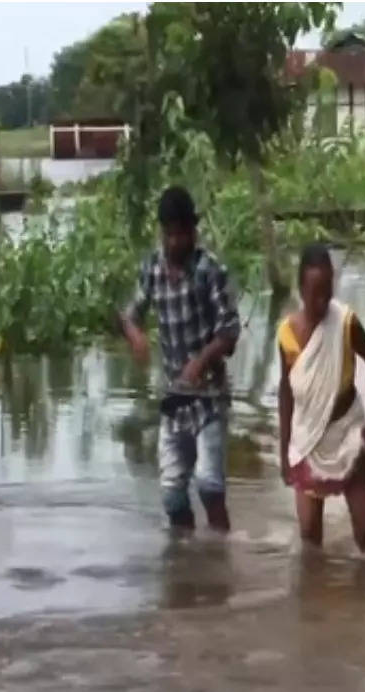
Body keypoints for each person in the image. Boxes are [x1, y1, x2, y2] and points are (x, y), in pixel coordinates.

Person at [120, 185, 241, 533]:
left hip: (209, 398)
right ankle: (187, 563)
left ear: (193, 231)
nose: (174, 243)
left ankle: (222, 555)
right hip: (174, 399)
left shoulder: (208, 271)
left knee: (209, 486)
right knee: (173, 496)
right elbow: (128, 314)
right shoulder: (153, 269)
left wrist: (201, 361)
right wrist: (136, 334)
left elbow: (230, 332)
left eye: (180, 234)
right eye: (168, 234)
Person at [277, 244, 365, 553]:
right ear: (300, 290)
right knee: (310, 540)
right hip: (309, 438)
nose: (321, 302)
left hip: (348, 430)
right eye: (314, 295)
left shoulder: (345, 323)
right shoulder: (286, 335)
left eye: (327, 292)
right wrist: (284, 451)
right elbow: (285, 391)